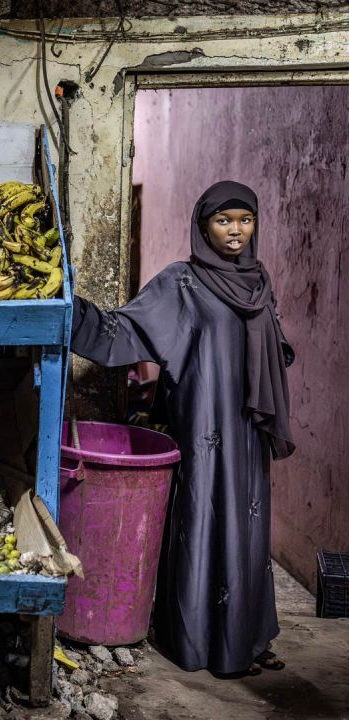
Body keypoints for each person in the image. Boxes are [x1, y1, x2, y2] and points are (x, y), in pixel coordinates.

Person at [70, 180, 295, 677]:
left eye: (245, 220)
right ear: (203, 227)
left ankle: (248, 638)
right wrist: (73, 310)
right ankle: (203, 643)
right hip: (205, 425)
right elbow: (127, 330)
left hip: (249, 429)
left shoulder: (259, 281)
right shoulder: (181, 283)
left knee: (249, 528)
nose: (235, 231)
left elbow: (274, 342)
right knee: (207, 518)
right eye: (223, 221)